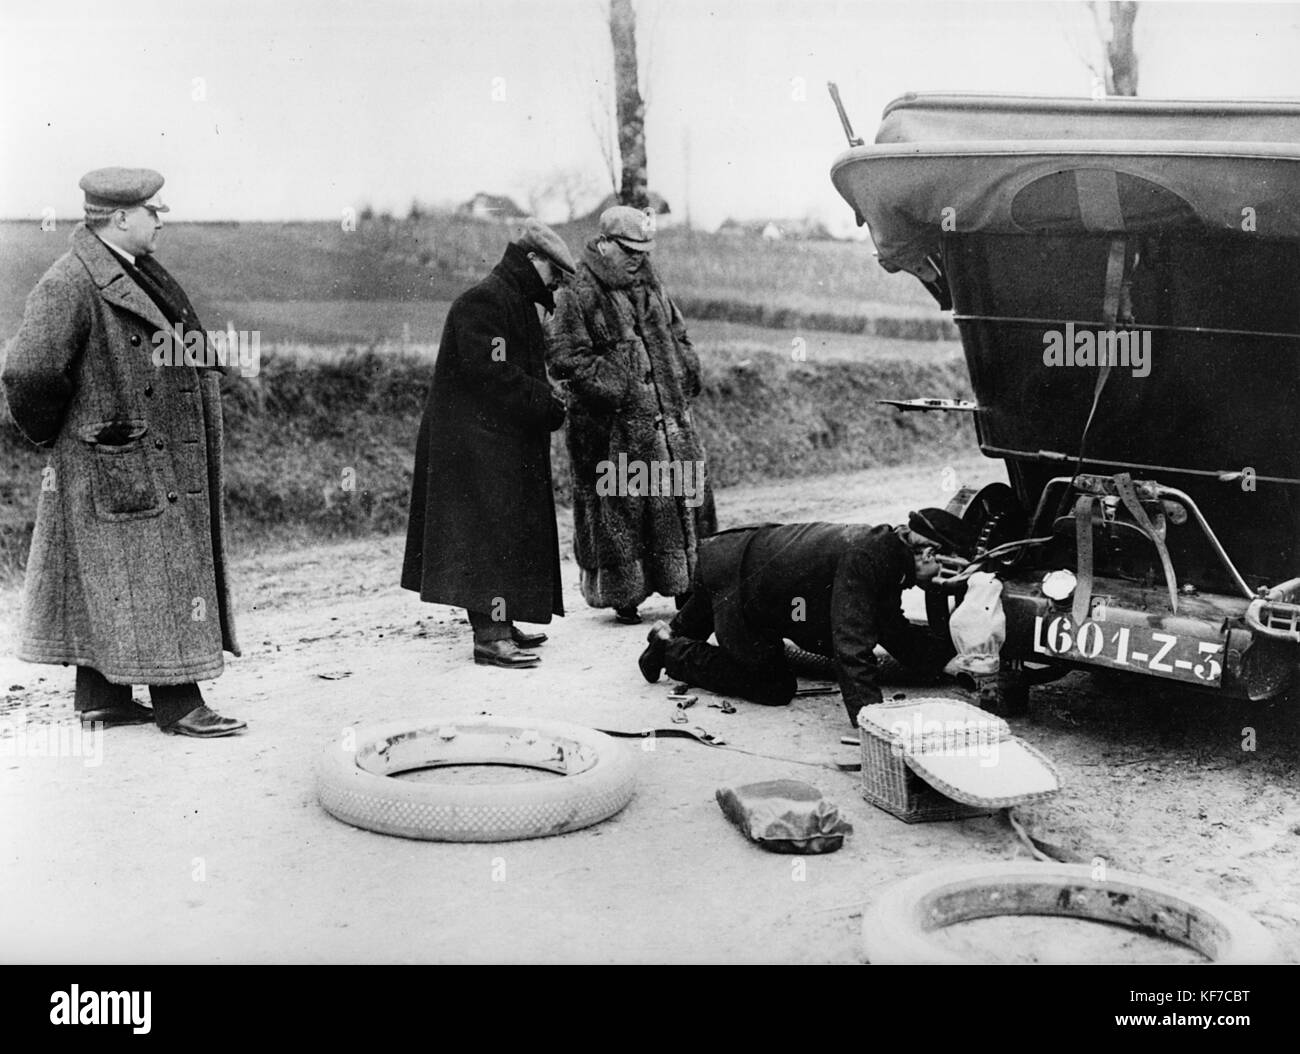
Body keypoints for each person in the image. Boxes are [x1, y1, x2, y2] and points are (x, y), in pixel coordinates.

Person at [1, 168, 244, 737]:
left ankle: (102, 697)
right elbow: (28, 370)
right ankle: (180, 702)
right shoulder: (72, 282)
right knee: (157, 572)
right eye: (153, 211)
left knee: (116, 573)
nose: (160, 220)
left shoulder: (130, 271)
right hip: (120, 461)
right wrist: (72, 435)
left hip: (134, 460)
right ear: (120, 218)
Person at [401, 219, 575, 668]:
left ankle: (502, 622)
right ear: (533, 260)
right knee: (486, 537)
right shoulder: (487, 300)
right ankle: (490, 637)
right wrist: (545, 402)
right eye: (554, 271)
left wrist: (542, 400)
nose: (556, 282)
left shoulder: (509, 299)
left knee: (505, 533)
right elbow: (492, 373)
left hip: (494, 443)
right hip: (473, 449)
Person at [637, 510, 975, 726]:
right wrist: (871, 718)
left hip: (734, 559)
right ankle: (669, 650)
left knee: (703, 615)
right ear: (929, 552)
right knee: (772, 685)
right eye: (946, 565)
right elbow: (851, 643)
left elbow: (891, 628)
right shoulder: (868, 558)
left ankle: (668, 632)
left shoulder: (885, 548)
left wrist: (947, 661)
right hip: (742, 583)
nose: (945, 575)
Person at [548, 205, 716, 625]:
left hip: (670, 418)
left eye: (643, 249)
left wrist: (684, 369)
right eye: (628, 249)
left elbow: (679, 334)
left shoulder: (652, 283)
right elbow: (565, 357)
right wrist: (618, 387)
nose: (638, 258)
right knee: (623, 502)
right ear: (605, 244)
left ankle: (686, 584)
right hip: (612, 428)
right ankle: (626, 592)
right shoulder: (577, 289)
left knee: (680, 494)